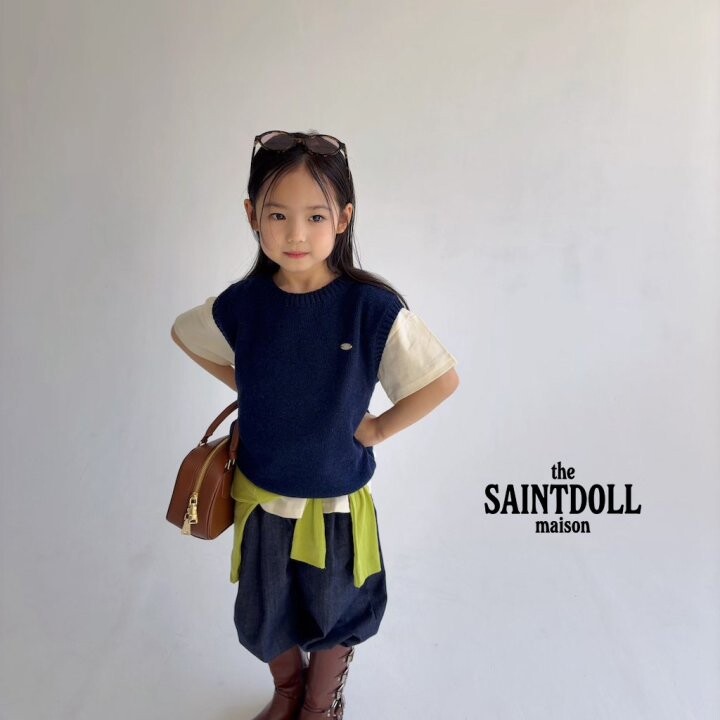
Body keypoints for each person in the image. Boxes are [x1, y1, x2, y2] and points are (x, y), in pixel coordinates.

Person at [171, 129, 459, 719]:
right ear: (252, 216)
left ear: (344, 218)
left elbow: (440, 380)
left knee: (335, 610)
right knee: (263, 612)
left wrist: (377, 429)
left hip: (334, 504)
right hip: (261, 496)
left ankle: (321, 703)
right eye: (277, 214)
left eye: (315, 215)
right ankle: (288, 691)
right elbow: (186, 333)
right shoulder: (244, 304)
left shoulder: (370, 309)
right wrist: (247, 383)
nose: (296, 233)